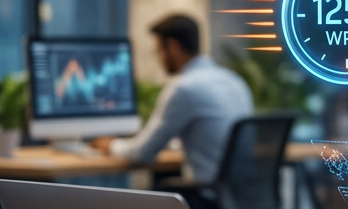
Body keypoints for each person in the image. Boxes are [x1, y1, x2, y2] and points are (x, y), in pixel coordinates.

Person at [92, 15, 253, 183]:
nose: (160, 59)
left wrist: (110, 145)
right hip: (241, 196)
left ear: (173, 46)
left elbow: (143, 153)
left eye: (159, 51)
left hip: (207, 197)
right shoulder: (235, 82)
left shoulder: (184, 88)